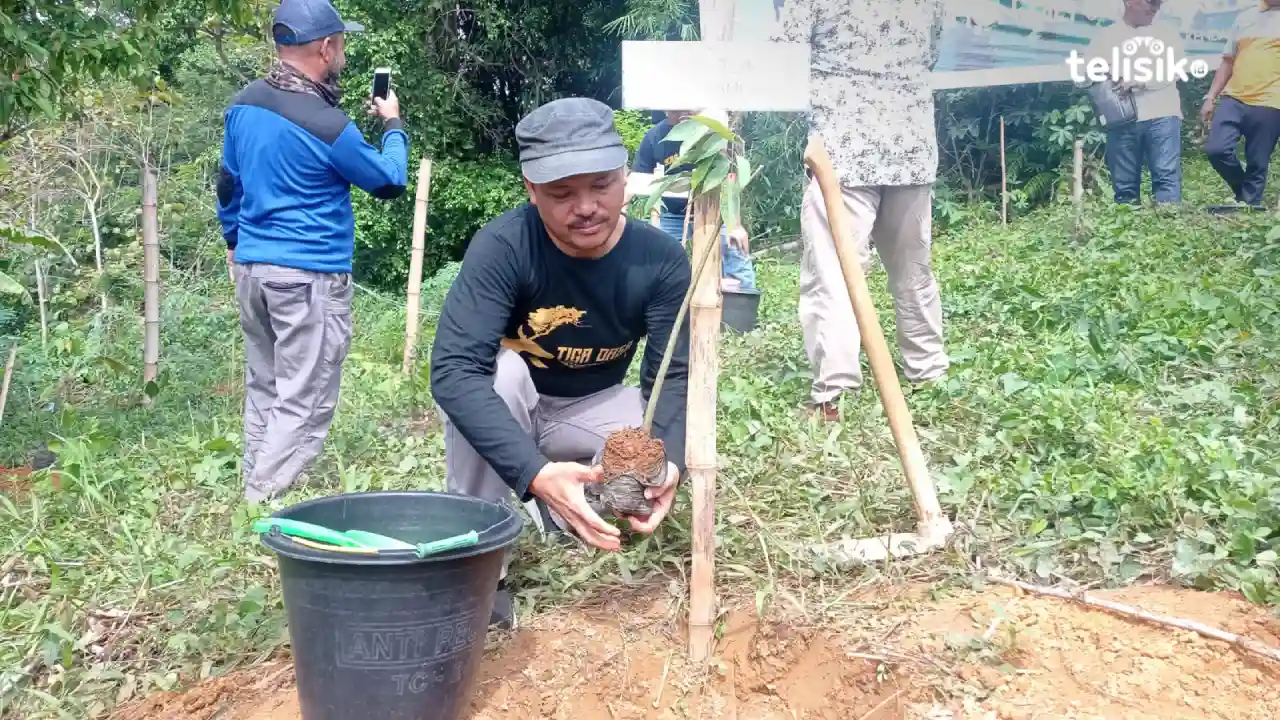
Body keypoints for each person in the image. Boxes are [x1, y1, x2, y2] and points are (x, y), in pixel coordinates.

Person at [430, 97, 690, 629]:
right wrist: (534, 472)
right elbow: (453, 371)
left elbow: (675, 375)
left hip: (591, 404)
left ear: (625, 175)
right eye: (562, 193)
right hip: (512, 402)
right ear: (531, 189)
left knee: (655, 435)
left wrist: (672, 464)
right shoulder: (504, 247)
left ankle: (566, 507)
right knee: (498, 374)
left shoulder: (660, 260)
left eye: (601, 185)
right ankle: (482, 566)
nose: (586, 207)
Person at [217, 0, 409, 503]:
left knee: (266, 383)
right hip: (306, 276)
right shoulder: (327, 124)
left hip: (253, 270)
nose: (342, 52)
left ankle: (254, 478)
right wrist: (392, 125)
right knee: (306, 395)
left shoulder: (243, 105)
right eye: (340, 43)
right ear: (326, 47)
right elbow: (389, 181)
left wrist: (234, 242)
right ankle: (262, 500)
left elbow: (228, 183)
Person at [774, 1, 951, 422]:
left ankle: (835, 391)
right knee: (913, 270)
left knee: (833, 275)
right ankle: (928, 371)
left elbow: (783, 59)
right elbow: (931, 50)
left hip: (840, 153)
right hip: (910, 147)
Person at [631, 110, 758, 290]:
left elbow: (730, 179)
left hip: (713, 211)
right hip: (672, 215)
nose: (680, 113)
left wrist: (734, 224)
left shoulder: (712, 132)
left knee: (736, 249)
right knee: (654, 258)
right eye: (673, 109)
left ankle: (740, 302)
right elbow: (637, 179)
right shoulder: (654, 137)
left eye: (686, 108)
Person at [1084, 0, 1185, 205]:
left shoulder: (1167, 33)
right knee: (1124, 186)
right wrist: (1105, 70)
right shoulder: (1106, 36)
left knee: (1166, 178)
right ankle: (1128, 224)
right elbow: (1084, 75)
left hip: (1163, 113)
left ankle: (1170, 222)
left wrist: (1140, 81)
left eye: (1158, 3)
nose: (1155, 8)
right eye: (1151, 2)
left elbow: (1176, 70)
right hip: (1121, 117)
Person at [1201, 0, 1280, 210]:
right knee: (1217, 150)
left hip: (1271, 100)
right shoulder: (1245, 17)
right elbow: (1228, 61)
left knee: (1258, 161)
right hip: (1233, 97)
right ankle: (1245, 194)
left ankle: (1248, 207)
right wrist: (1210, 96)